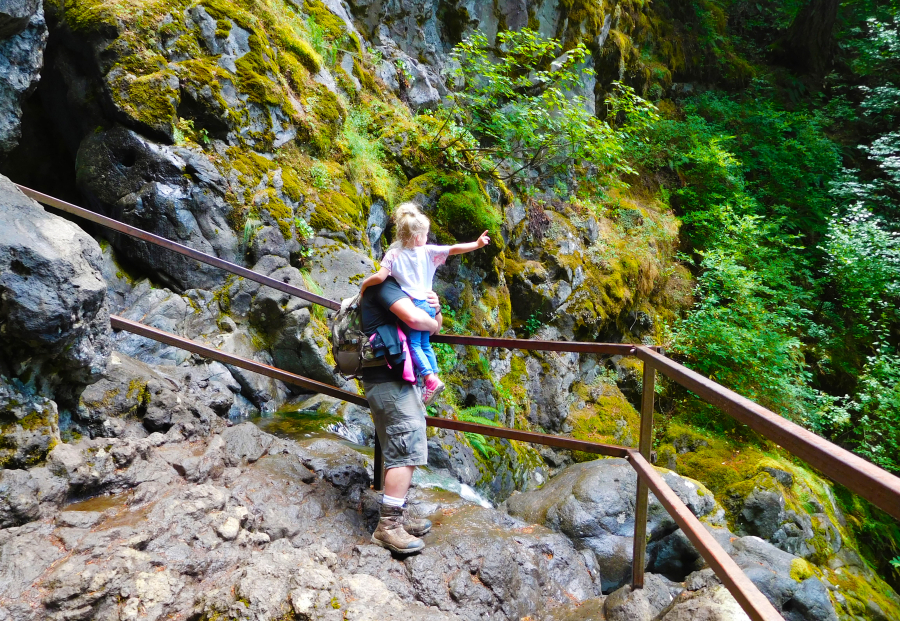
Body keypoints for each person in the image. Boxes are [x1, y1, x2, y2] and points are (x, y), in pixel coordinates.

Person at [360, 202, 490, 406]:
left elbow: (380, 277)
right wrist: (477, 244)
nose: (427, 237)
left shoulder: (393, 254)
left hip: (414, 306)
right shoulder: (428, 252)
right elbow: (454, 249)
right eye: (425, 234)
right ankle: (434, 377)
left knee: (413, 345)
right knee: (424, 344)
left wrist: (364, 286)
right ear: (417, 236)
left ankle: (429, 379)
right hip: (429, 305)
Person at [360, 273, 442, 554]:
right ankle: (388, 527)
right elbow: (419, 323)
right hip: (387, 382)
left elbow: (431, 329)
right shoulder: (385, 286)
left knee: (404, 444)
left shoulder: (410, 290)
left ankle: (398, 515)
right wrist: (428, 317)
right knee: (405, 446)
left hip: (398, 381)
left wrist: (436, 308)